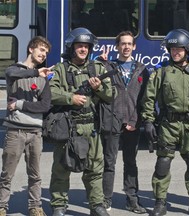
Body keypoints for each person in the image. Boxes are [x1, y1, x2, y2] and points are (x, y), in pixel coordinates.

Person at [141, 28, 189, 216]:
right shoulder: (161, 72)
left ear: (188, 50)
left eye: (179, 49)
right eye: (172, 49)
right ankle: (160, 202)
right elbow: (149, 98)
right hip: (169, 125)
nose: (175, 52)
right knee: (163, 164)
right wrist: (149, 121)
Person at [48, 28, 113, 216]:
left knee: (95, 169)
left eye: (86, 46)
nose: (83, 49)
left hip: (91, 126)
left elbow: (111, 95)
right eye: (79, 46)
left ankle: (96, 205)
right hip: (68, 126)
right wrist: (71, 98)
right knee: (62, 167)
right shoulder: (60, 69)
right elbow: (50, 93)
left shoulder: (98, 69)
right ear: (72, 47)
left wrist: (99, 88)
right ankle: (59, 205)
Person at [98, 31, 149, 214]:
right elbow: (93, 77)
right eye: (122, 44)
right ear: (117, 47)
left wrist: (137, 120)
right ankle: (105, 199)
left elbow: (145, 99)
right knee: (109, 162)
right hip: (111, 122)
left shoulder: (142, 69)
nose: (126, 47)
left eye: (129, 44)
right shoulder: (107, 66)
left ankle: (132, 199)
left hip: (132, 123)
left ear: (134, 47)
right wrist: (99, 61)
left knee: (130, 162)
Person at [0, 36, 52, 216]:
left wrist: (20, 104)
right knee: (7, 174)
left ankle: (35, 207)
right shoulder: (15, 70)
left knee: (35, 175)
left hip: (35, 132)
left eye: (46, 52)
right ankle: (1, 206)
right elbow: (13, 74)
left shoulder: (44, 78)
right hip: (15, 130)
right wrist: (36, 73)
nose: (43, 54)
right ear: (31, 49)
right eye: (41, 50)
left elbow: (45, 106)